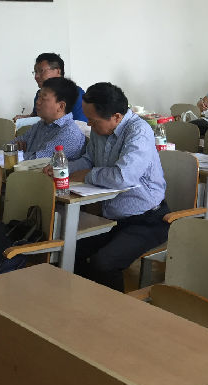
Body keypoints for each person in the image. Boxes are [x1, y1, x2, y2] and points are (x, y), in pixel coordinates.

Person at [67, 82, 169, 291]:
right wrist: (62, 170)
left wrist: (88, 175)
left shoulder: (139, 132)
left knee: (104, 263)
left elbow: (124, 176)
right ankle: (84, 301)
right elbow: (88, 160)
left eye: (93, 121)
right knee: (70, 250)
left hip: (147, 219)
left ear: (116, 117)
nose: (89, 125)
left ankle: (114, 309)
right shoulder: (100, 129)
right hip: (112, 217)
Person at [14, 77, 85, 160]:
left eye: (43, 99)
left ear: (61, 106)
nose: (37, 102)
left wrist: (15, 154)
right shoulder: (41, 125)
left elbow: (38, 161)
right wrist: (14, 148)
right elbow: (13, 144)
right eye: (38, 97)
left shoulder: (69, 133)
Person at [21, 52, 86, 122]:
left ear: (58, 71)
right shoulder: (39, 94)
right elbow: (37, 117)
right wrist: (25, 119)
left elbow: (81, 125)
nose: (36, 76)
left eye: (41, 71)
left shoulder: (76, 94)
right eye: (35, 72)